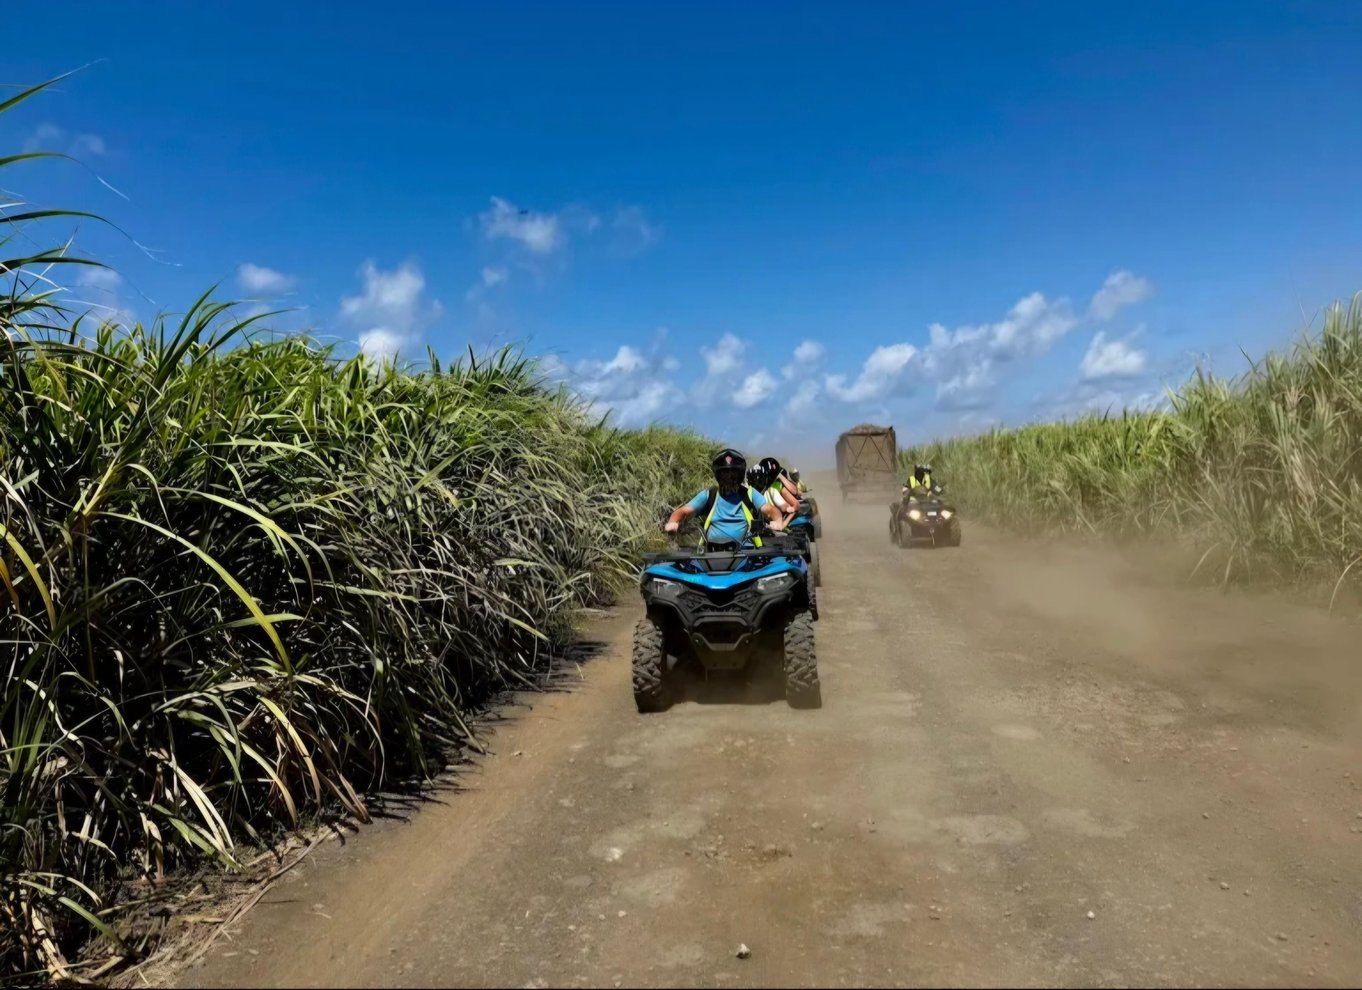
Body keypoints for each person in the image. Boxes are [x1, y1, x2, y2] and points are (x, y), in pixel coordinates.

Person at [665, 448, 786, 547]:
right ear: (718, 475)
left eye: (733, 474)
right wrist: (672, 522)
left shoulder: (749, 493)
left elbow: (770, 510)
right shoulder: (709, 495)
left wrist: (778, 521)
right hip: (711, 555)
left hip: (745, 554)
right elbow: (683, 511)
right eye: (725, 474)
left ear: (740, 475)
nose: (729, 477)